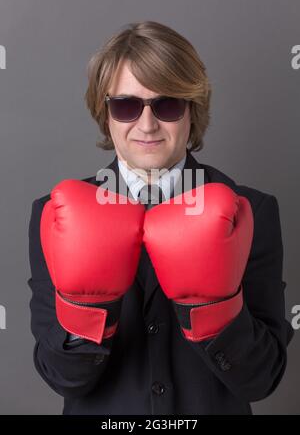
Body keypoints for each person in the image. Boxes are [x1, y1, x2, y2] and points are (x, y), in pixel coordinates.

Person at [28, 20, 294, 415]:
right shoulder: (52, 214)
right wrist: (87, 309)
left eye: (167, 104)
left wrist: (216, 309)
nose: (148, 124)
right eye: (126, 105)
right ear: (106, 115)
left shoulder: (251, 211)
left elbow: (261, 378)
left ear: (192, 111)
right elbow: (60, 376)